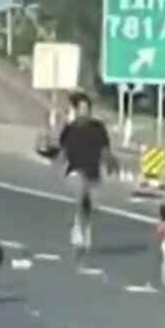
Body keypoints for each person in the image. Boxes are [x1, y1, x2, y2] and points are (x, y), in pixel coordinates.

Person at [53, 92, 119, 257]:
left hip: (93, 171)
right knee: (79, 194)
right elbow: (63, 150)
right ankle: (76, 230)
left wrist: (110, 163)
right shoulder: (70, 129)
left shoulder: (98, 128)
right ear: (77, 110)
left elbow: (105, 149)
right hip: (75, 170)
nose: (85, 112)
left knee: (91, 207)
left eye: (87, 109)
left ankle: (86, 231)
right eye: (82, 109)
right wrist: (58, 163)